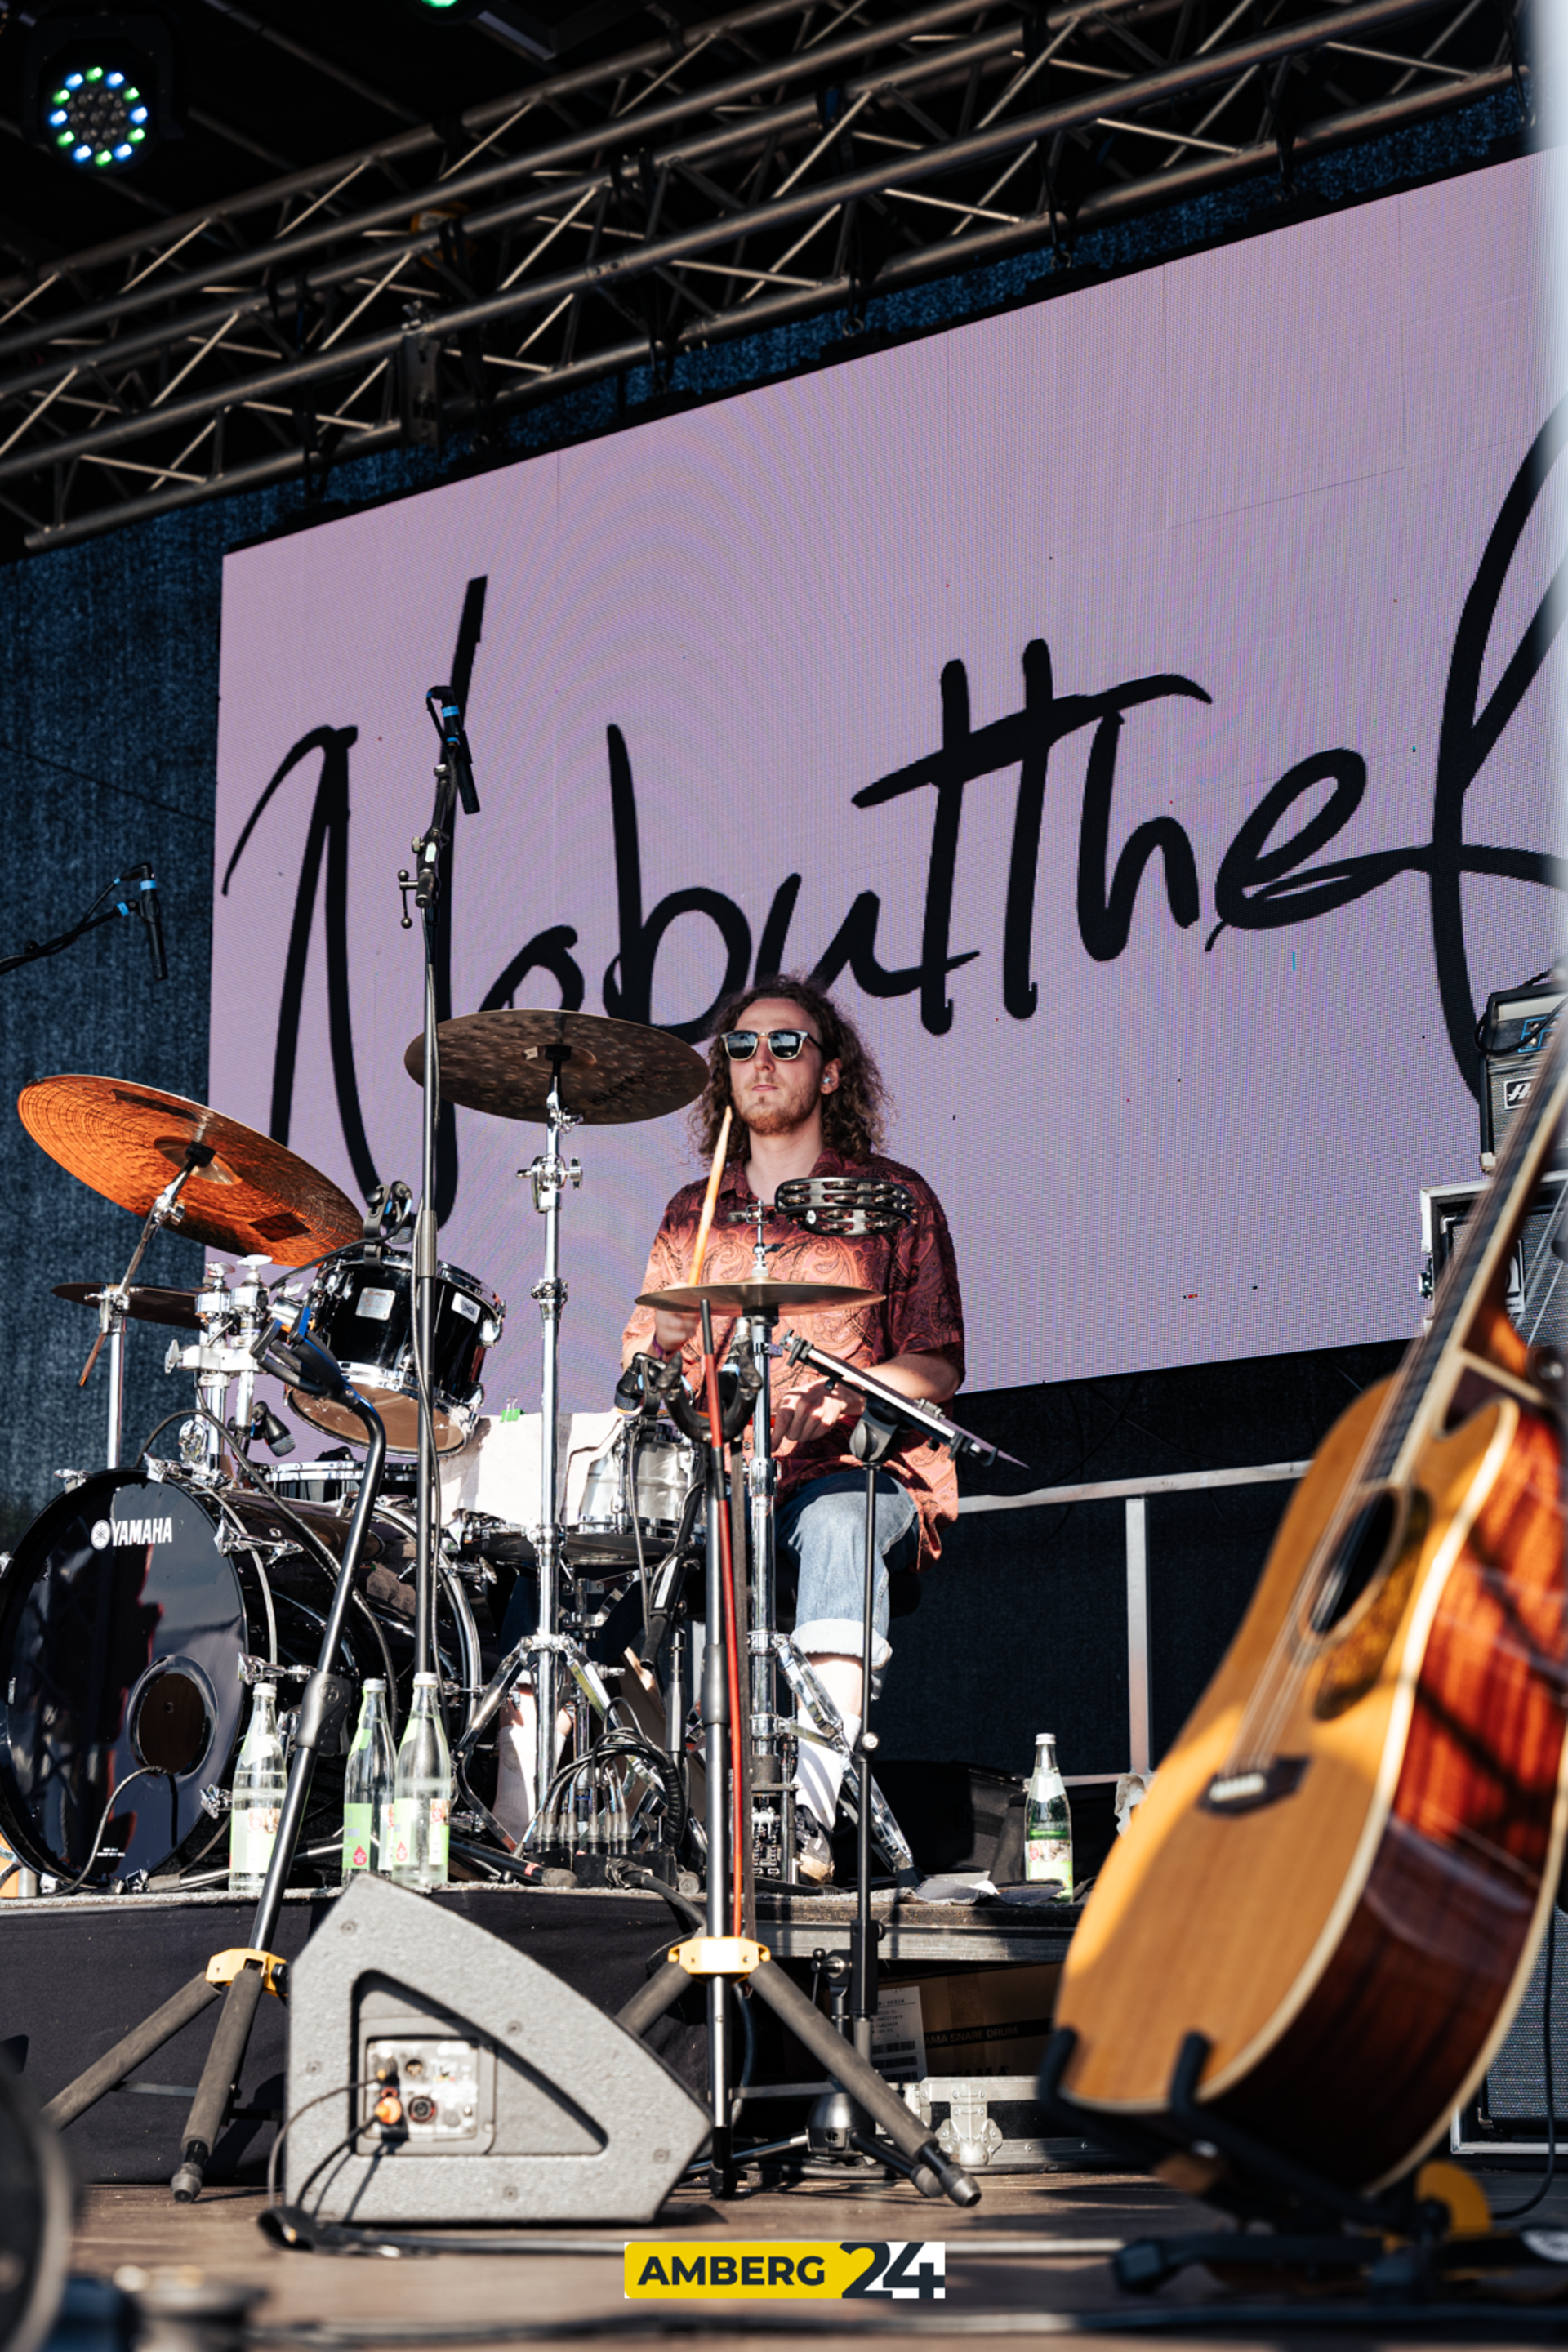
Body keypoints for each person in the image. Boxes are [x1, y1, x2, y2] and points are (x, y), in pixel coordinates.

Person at [621, 974, 965, 1879]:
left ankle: (803, 1815)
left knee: (843, 1524)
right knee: (599, 1554)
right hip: (724, 1485)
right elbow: (643, 1384)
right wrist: (655, 1352)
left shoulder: (893, 1198)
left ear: (832, 1073)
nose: (760, 1061)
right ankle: (613, 1816)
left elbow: (936, 1363)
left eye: (786, 1044)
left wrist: (849, 1392)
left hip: (854, 1474)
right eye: (740, 1047)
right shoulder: (692, 1218)